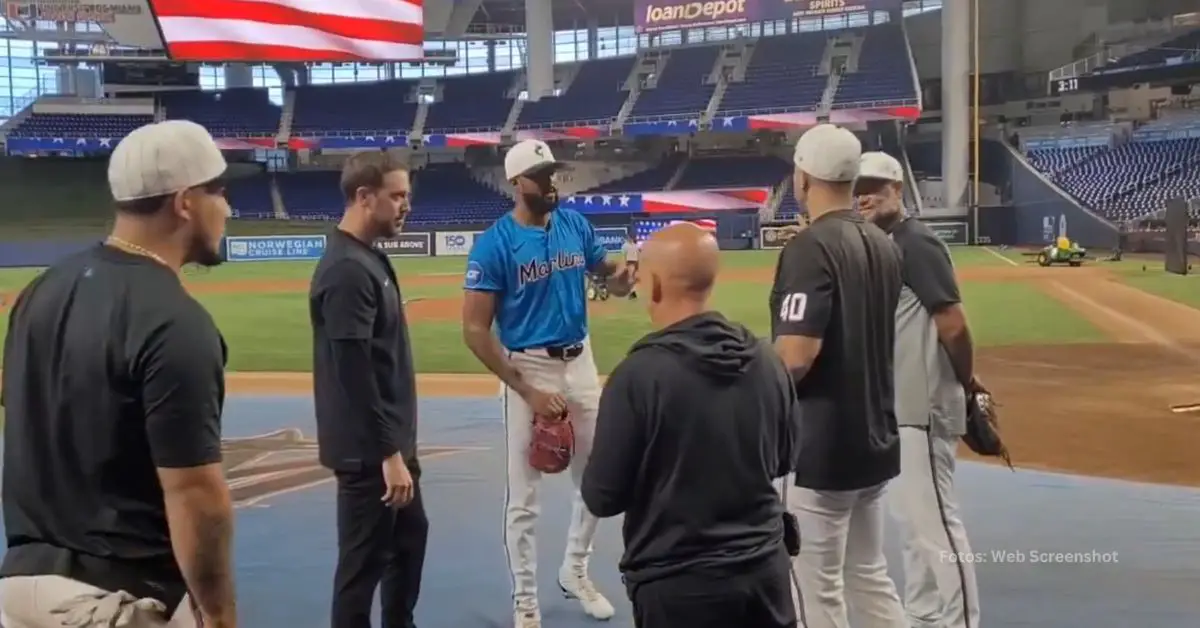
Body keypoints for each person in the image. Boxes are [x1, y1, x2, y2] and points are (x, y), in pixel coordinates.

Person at [0, 120, 235, 627]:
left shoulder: (41, 291)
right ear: (184, 202)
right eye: (218, 191)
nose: (227, 207)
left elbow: (14, 399)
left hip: (18, 590)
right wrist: (218, 615)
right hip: (114, 602)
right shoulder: (175, 320)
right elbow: (195, 494)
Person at [582, 223, 799, 628]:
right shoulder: (768, 360)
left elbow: (602, 496)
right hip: (766, 575)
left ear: (657, 286)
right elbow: (784, 459)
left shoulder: (637, 376)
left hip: (677, 587)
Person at [461, 139, 634, 628]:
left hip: (580, 361)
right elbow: (474, 331)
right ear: (517, 184)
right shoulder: (495, 243)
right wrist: (528, 391)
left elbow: (610, 279)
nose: (553, 181)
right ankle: (525, 600)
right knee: (525, 497)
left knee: (596, 480)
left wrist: (622, 278)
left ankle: (575, 569)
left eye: (554, 173)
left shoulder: (574, 224)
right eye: (542, 174)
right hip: (528, 368)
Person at [770, 125, 907, 628]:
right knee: (868, 575)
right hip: (874, 436)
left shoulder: (811, 247)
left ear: (802, 177)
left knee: (814, 591)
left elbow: (796, 356)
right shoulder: (884, 243)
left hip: (820, 450)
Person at [856, 151, 982, 628]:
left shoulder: (915, 242)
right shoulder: (886, 243)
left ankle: (962, 620)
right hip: (901, 407)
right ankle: (925, 615)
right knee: (913, 526)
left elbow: (952, 324)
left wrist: (965, 383)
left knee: (937, 529)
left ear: (897, 190)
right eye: (856, 187)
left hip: (922, 406)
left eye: (874, 186)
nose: (864, 195)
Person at [309, 152, 426, 628]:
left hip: (389, 445)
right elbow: (353, 374)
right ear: (363, 197)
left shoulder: (367, 258)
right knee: (361, 570)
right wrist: (388, 454)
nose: (405, 206)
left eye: (407, 197)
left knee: (408, 543)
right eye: (397, 196)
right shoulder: (346, 271)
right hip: (369, 456)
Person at [621, 231, 639, 299]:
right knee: (632, 278)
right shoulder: (635, 245)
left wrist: (624, 264)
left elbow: (624, 256)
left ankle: (632, 293)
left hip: (630, 262)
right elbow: (638, 255)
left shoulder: (625, 246)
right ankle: (633, 292)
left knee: (630, 278)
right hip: (634, 262)